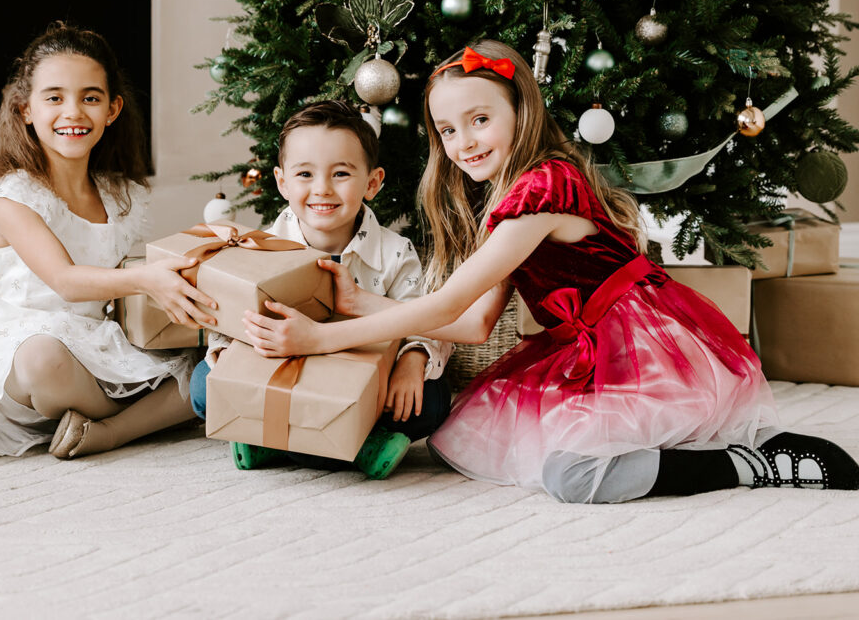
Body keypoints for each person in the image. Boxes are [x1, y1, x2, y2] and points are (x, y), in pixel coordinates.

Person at [239, 40, 859, 502]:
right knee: (463, 435)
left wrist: (319, 337)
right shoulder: (509, 201)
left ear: (521, 111)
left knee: (574, 477)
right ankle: (716, 450)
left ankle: (755, 465)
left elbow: (448, 305)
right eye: (448, 130)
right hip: (588, 342)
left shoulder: (545, 187)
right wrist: (360, 305)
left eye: (481, 119)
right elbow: (479, 324)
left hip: (643, 342)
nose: (464, 142)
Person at [0, 22, 215, 460]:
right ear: (25, 109)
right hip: (28, 359)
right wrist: (147, 279)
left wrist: (209, 240)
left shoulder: (117, 194)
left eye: (89, 98)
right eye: (54, 98)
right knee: (43, 358)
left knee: (204, 369)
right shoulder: (12, 197)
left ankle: (107, 431)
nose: (73, 112)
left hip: (97, 344)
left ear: (112, 110)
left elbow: (112, 283)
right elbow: (66, 281)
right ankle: (134, 418)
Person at [189, 100, 453, 479]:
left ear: (373, 182)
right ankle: (351, 447)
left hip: (363, 383)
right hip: (289, 374)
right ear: (282, 183)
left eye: (341, 173)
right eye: (305, 174)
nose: (322, 189)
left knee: (432, 401)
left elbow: (426, 319)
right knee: (203, 386)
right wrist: (228, 357)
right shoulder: (259, 247)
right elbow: (228, 318)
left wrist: (413, 361)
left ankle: (273, 440)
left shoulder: (396, 254)